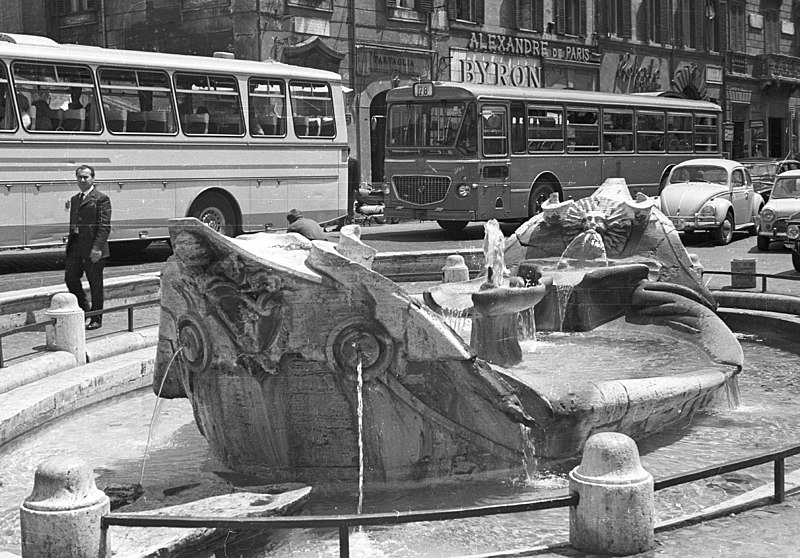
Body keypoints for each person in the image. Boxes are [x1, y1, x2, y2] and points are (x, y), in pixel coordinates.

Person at [65, 165, 112, 330]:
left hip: (93, 248)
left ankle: (96, 318)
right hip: (76, 247)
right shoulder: (75, 199)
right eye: (79, 177)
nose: (82, 180)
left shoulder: (101, 199)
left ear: (93, 178)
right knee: (70, 278)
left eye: (86, 177)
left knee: (95, 284)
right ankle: (85, 309)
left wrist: (97, 248)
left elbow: (104, 226)